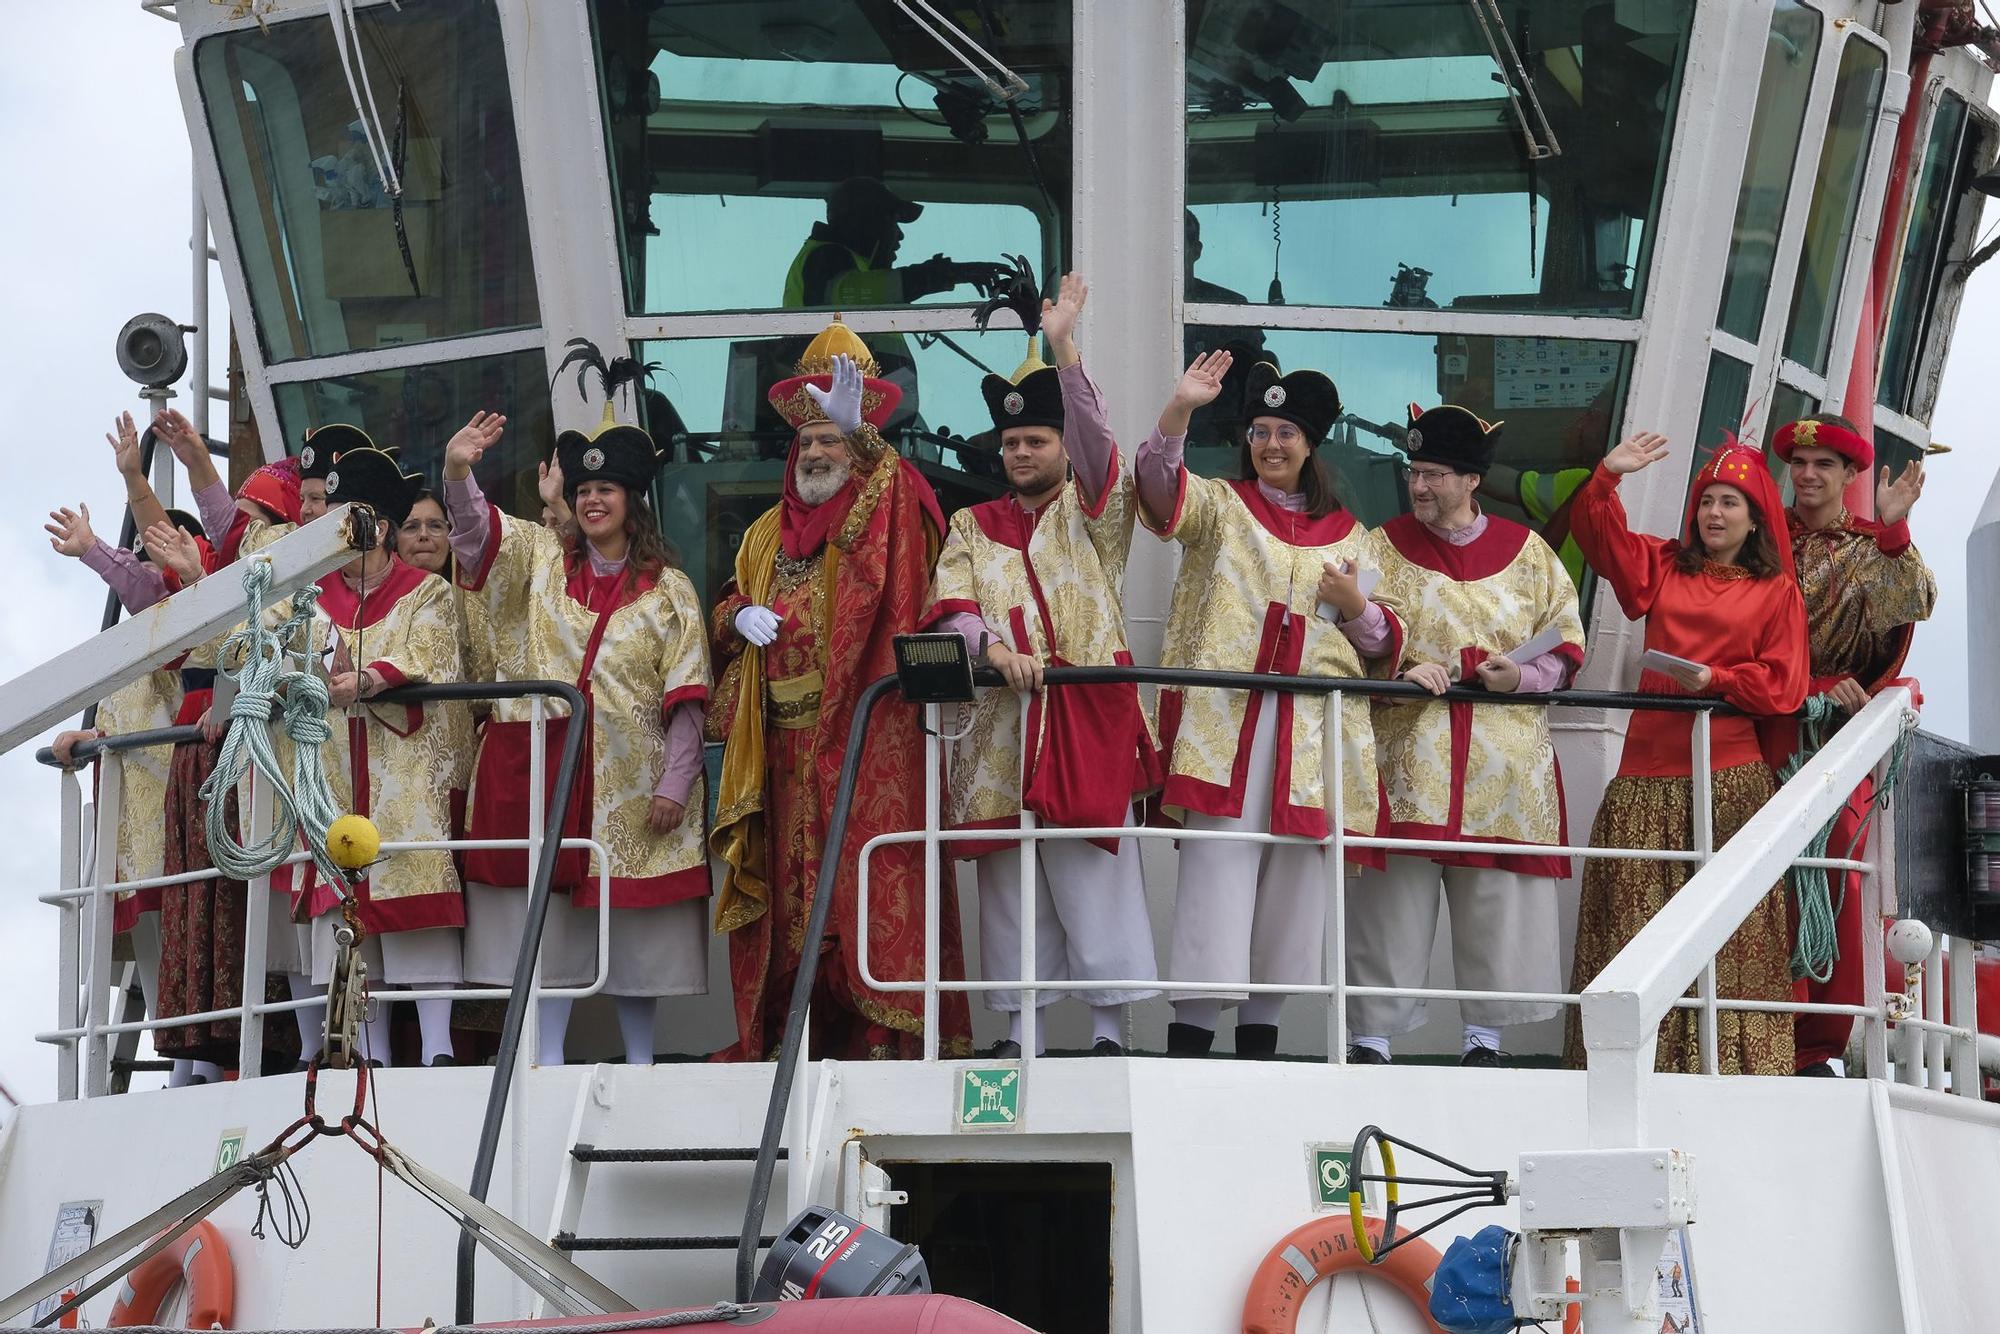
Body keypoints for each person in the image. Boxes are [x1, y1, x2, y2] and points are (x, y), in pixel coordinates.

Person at [710, 319, 974, 1060]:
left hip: (861, 736)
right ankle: (794, 1035)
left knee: (862, 888)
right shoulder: (764, 532)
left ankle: (875, 1038)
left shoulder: (879, 504)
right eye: (810, 441)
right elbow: (727, 604)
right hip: (782, 747)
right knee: (789, 905)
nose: (818, 452)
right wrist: (737, 614)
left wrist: (874, 448)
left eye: (833, 439)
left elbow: (898, 529)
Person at [1138, 354, 1405, 1058]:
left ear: (1311, 443)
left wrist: (1357, 610)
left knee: (1293, 894)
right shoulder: (1222, 506)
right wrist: (1180, 410)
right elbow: (1161, 494)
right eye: (1260, 430)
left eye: (1286, 432)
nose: (1272, 444)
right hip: (1230, 725)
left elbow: (1385, 640)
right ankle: (1190, 1048)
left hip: (1315, 734)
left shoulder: (1353, 534)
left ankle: (1262, 1046)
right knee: (1214, 883)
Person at [921, 274, 1160, 1058]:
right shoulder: (970, 522)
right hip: (998, 722)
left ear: (1060, 449)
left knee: (1094, 879)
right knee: (1010, 889)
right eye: (1013, 443)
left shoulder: (1095, 508)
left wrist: (1063, 347)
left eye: (1037, 442)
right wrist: (991, 650)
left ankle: (1104, 1035)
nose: (1022, 452)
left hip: (1083, 714)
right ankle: (1020, 1032)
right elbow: (949, 607)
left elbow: (1100, 442)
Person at [446, 393, 713, 1069]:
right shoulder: (538, 557)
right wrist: (457, 475)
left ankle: (643, 1061)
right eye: (584, 489)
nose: (594, 501)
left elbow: (688, 696)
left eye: (607, 490)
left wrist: (677, 783)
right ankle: (550, 1059)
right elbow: (478, 537)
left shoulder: (670, 587)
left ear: (632, 500)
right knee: (554, 925)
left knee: (637, 932)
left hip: (634, 781)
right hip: (550, 770)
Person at [1346, 405, 1585, 1067]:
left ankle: (1486, 1040)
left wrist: (1520, 677)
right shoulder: (1377, 544)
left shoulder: (1530, 553)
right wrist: (1392, 650)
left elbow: (1567, 643)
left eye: (1434, 475)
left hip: (1505, 763)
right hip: (1409, 758)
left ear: (1472, 480)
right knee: (1390, 907)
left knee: (1499, 904)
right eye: (1414, 472)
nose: (1419, 486)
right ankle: (1372, 1039)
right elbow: (1355, 630)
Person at [1565, 432, 1809, 1074]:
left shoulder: (1776, 592)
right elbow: (1600, 541)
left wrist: (1719, 681)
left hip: (1727, 776)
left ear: (1756, 518)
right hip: (1645, 770)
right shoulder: (1666, 566)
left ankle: (1736, 1067)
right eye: (1707, 501)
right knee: (1632, 925)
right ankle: (1626, 1061)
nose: (1714, 514)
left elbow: (1784, 685)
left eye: (1730, 503)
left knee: (1730, 931)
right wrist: (1606, 476)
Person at [262, 448, 466, 1067]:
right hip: (330, 777)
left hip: (403, 777)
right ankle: (367, 1052)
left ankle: (438, 1050)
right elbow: (261, 649)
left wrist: (367, 680)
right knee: (344, 917)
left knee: (418, 909)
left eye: (353, 517)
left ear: (380, 524)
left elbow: (431, 653)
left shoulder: (426, 591)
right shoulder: (303, 597)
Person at [1773, 415, 1936, 1076]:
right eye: (1800, 463)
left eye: (1824, 465)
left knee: (1834, 877)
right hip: (1760, 721)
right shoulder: (1759, 538)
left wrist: (1895, 528)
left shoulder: (1871, 545)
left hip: (1831, 740)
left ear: (1849, 477)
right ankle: (1753, 1028)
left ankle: (1816, 1045)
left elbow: (1916, 602)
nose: (1808, 475)